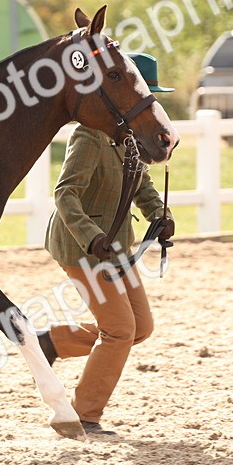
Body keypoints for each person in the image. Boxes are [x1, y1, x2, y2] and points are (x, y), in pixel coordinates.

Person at [39, 53, 175, 437]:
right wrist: (92, 237)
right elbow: (65, 194)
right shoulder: (90, 135)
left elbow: (142, 184)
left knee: (140, 328)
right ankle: (81, 415)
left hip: (116, 247)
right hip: (82, 247)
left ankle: (52, 342)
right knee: (118, 331)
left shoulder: (132, 137)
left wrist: (159, 214)